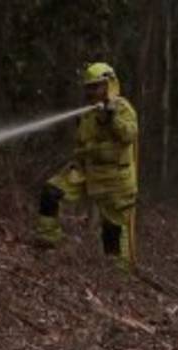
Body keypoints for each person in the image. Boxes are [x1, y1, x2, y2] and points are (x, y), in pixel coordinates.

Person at [36, 62, 139, 267]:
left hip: (114, 179)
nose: (91, 92)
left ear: (109, 85)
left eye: (96, 87)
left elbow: (129, 135)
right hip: (87, 170)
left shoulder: (122, 108)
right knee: (51, 192)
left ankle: (119, 274)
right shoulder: (88, 113)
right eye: (89, 87)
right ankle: (48, 242)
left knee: (113, 230)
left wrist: (112, 118)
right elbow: (82, 142)